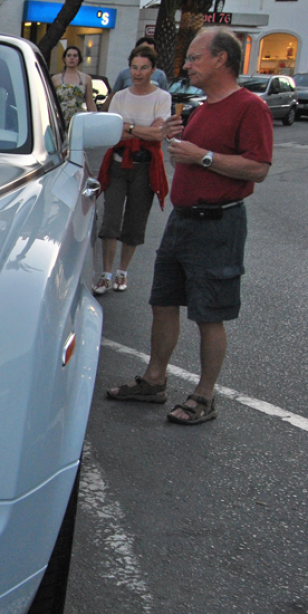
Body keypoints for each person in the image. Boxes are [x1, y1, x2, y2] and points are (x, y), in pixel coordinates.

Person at [107, 28, 273, 425]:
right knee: (163, 302)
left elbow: (259, 168)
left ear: (221, 60)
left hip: (218, 222)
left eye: (196, 57)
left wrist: (203, 157)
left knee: (208, 313)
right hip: (182, 221)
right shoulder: (199, 108)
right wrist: (174, 138)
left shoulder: (251, 107)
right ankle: (154, 380)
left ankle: (205, 395)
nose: (187, 65)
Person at [92, 44, 172, 296]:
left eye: (144, 68)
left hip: (145, 166)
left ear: (153, 70)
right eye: (134, 67)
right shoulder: (120, 97)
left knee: (135, 221)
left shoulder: (162, 97)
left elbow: (160, 133)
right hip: (118, 163)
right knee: (111, 219)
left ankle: (122, 272)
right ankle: (105, 274)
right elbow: (114, 131)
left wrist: (130, 128)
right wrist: (141, 129)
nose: (138, 73)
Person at [52, 45, 97, 126]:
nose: (71, 58)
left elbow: (90, 103)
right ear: (64, 59)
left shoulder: (86, 79)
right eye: (69, 55)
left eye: (75, 56)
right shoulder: (56, 79)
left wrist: (95, 121)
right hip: (60, 119)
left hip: (78, 119)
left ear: (79, 59)